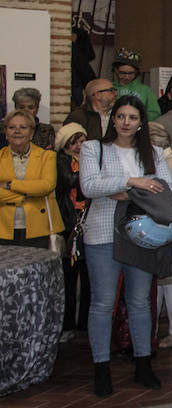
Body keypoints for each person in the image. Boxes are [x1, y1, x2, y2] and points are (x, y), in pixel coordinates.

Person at [80, 96, 172, 397]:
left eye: (132, 117)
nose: (125, 122)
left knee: (139, 303)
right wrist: (135, 182)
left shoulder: (154, 153)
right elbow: (89, 186)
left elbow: (169, 190)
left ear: (140, 122)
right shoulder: (93, 148)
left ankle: (143, 364)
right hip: (102, 235)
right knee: (102, 304)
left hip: (141, 235)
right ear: (113, 119)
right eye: (120, 116)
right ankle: (101, 368)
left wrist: (126, 192)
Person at [0, 109, 62, 248]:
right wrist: (22, 197)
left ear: (31, 133)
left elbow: (46, 186)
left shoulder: (47, 156)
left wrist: (9, 184)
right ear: (6, 133)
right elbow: (37, 188)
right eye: (12, 127)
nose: (17, 131)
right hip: (3, 229)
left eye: (23, 127)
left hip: (39, 228)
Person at [54, 122, 89, 336]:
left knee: (88, 278)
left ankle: (84, 323)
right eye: (73, 142)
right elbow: (69, 180)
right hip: (68, 223)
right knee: (68, 277)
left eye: (82, 141)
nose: (78, 146)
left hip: (87, 221)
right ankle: (67, 323)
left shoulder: (91, 161)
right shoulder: (60, 161)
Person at [110, 49, 161, 122]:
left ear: (136, 72)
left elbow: (154, 113)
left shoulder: (145, 90)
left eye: (130, 73)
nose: (126, 77)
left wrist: (139, 121)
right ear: (116, 70)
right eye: (123, 73)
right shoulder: (109, 87)